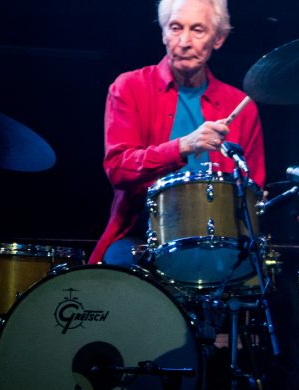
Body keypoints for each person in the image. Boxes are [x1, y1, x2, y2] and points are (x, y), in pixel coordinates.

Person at [89, 0, 265, 265]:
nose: (184, 41)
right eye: (175, 28)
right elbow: (118, 168)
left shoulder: (240, 105)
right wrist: (184, 145)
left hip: (221, 238)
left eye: (197, 30)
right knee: (120, 264)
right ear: (163, 34)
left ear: (218, 39)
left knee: (278, 287)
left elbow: (254, 186)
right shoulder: (129, 87)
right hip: (144, 236)